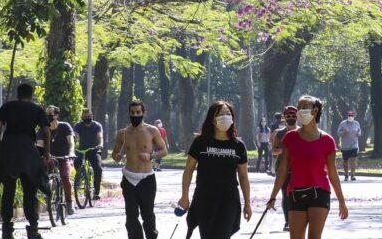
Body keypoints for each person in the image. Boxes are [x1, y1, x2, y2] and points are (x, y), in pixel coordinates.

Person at [267, 95, 348, 239]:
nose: (301, 110)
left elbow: (333, 174)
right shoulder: (290, 138)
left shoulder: (327, 140)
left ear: (315, 111)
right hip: (296, 193)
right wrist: (272, 196)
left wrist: (342, 201)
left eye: (305, 107)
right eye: (299, 107)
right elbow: (283, 170)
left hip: (320, 193)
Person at [0, 83, 50, 239]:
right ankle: (32, 229)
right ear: (31, 95)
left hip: (9, 151)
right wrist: (46, 152)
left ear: (17, 94)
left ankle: (6, 230)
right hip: (28, 152)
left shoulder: (8, 106)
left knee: (8, 191)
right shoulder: (37, 109)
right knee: (30, 191)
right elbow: (46, 131)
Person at [179, 100, 253, 239]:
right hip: (204, 199)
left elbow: (243, 176)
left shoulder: (239, 145)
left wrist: (247, 204)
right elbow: (188, 170)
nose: (225, 116)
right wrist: (185, 196)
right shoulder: (200, 142)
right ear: (212, 119)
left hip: (229, 200)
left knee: (222, 235)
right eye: (221, 114)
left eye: (228, 113)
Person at [112, 100, 168, 239]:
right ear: (129, 114)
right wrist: (118, 157)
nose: (135, 115)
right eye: (132, 113)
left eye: (138, 112)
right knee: (131, 216)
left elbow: (164, 150)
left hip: (147, 178)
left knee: (148, 215)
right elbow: (114, 154)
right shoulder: (123, 133)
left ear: (143, 113)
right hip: (129, 178)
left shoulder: (152, 130)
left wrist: (151, 156)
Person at [38, 105, 75, 215]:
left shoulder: (65, 126)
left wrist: (71, 153)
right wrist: (41, 155)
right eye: (46, 114)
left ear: (56, 115)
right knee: (44, 171)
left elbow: (71, 142)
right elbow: (40, 144)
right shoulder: (43, 129)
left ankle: (69, 203)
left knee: (65, 176)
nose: (48, 117)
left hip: (64, 157)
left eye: (51, 114)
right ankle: (47, 190)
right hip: (50, 157)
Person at [270, 105, 298, 232]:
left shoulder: (301, 132)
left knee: (296, 196)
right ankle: (287, 221)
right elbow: (273, 151)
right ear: (284, 118)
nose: (291, 118)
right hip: (283, 169)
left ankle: (297, 220)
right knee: (286, 195)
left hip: (298, 169)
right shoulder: (279, 133)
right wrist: (284, 150)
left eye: (293, 116)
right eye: (288, 116)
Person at [73, 108, 104, 200]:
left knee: (98, 168)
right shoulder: (78, 125)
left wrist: (100, 144)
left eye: (89, 116)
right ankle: (81, 177)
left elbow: (100, 136)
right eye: (85, 116)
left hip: (94, 150)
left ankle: (96, 192)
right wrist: (74, 143)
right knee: (77, 162)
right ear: (82, 117)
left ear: (92, 116)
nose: (87, 118)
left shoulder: (97, 125)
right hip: (82, 150)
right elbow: (75, 136)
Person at [336, 110, 361, 181]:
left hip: (354, 145)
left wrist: (359, 134)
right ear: (347, 116)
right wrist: (344, 131)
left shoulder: (357, 123)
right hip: (345, 146)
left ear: (354, 116)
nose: (350, 117)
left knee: (353, 160)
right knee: (345, 161)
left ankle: (352, 175)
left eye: (352, 115)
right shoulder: (343, 123)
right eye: (349, 115)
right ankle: (346, 174)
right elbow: (338, 133)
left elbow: (359, 131)